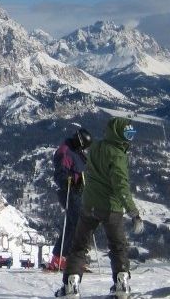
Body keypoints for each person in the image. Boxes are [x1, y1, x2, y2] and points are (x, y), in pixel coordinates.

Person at [55, 117, 144, 298]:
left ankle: (71, 285)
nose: (130, 138)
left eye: (132, 134)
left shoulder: (96, 147)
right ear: (118, 134)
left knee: (79, 246)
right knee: (118, 246)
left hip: (89, 206)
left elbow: (88, 170)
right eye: (127, 134)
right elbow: (121, 185)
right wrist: (133, 212)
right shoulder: (118, 155)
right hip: (111, 208)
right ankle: (121, 283)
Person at [48, 128, 91, 271]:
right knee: (78, 224)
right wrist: (70, 182)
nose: (83, 149)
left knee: (73, 225)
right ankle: (68, 258)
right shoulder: (65, 152)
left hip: (79, 192)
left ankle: (61, 257)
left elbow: (82, 170)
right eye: (83, 146)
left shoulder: (76, 151)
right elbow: (59, 174)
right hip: (69, 192)